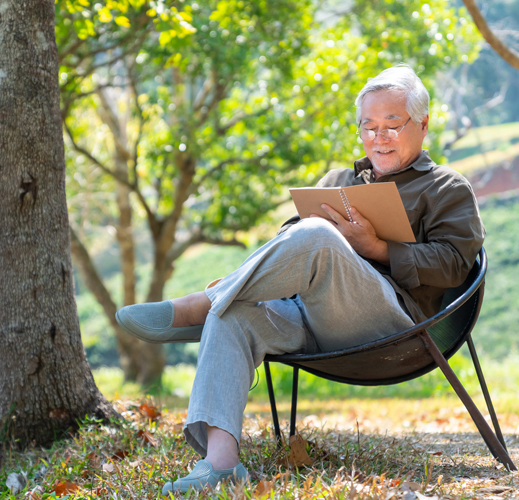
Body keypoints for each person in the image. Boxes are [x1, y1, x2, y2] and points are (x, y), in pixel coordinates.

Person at [115, 65, 485, 495]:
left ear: (422, 125)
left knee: (317, 234)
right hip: (309, 318)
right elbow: (290, 244)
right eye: (368, 125)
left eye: (392, 125)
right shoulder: (339, 181)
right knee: (233, 312)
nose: (378, 137)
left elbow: (457, 264)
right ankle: (219, 464)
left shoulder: (447, 188)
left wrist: (376, 248)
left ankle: (201, 302)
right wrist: (263, 273)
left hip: (395, 328)